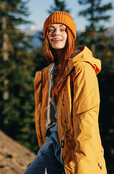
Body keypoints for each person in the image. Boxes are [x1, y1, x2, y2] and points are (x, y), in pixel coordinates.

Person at [25, 11, 107, 174]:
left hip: (76, 145)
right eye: (51, 30)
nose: (57, 33)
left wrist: (84, 165)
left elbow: (86, 120)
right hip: (52, 144)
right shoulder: (48, 73)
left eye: (63, 29)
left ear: (70, 34)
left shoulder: (83, 69)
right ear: (46, 35)